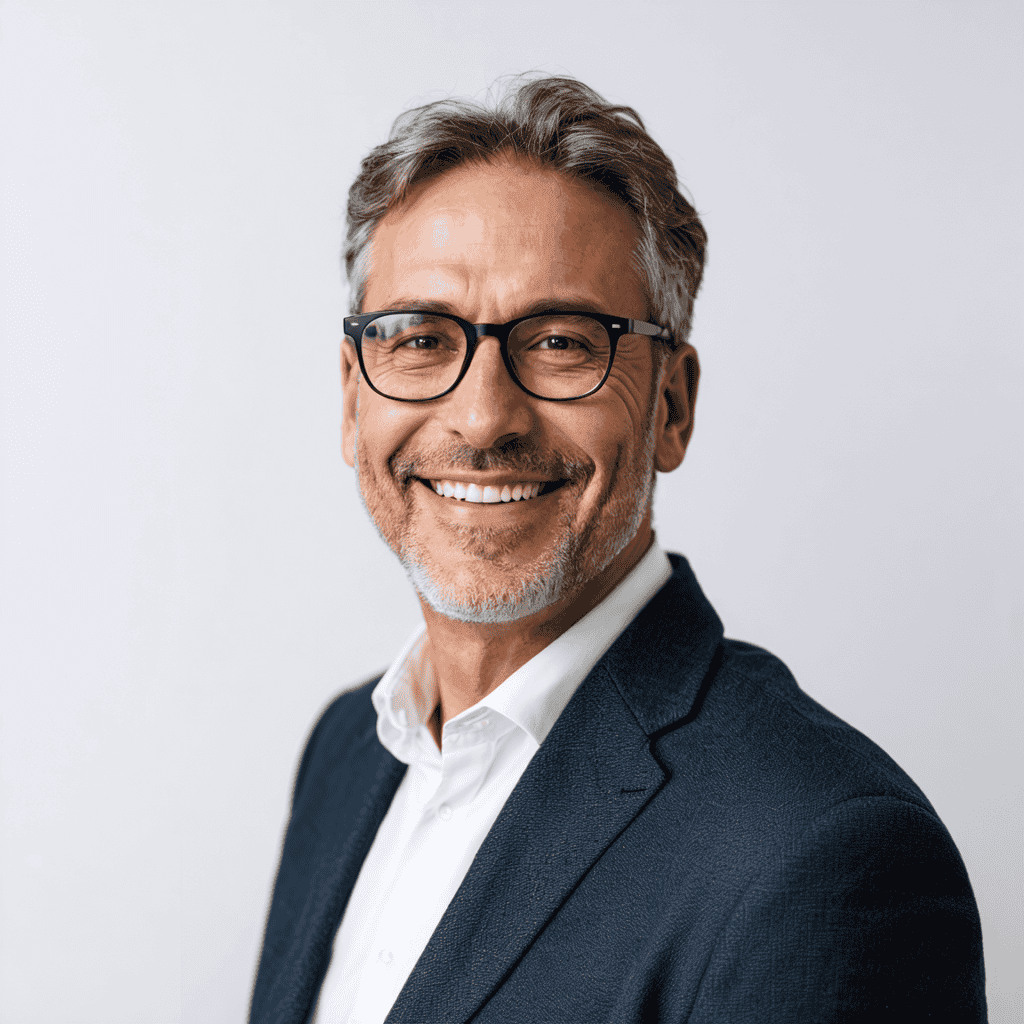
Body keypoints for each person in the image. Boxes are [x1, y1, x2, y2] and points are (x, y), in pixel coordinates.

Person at [250, 76, 986, 1024]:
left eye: (561, 342)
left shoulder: (822, 853)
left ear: (672, 406)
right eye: (421, 339)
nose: (482, 418)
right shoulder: (346, 752)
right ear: (354, 402)